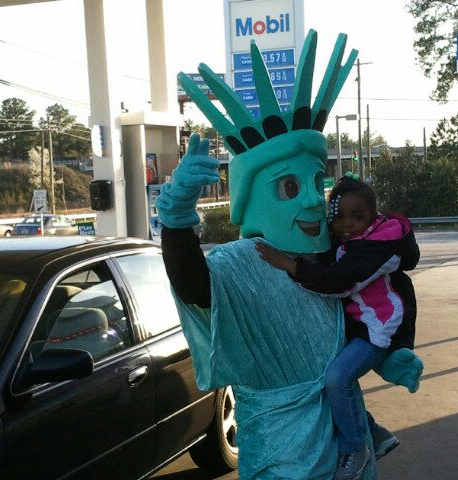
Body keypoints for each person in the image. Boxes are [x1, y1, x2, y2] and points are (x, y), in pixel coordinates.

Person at [158, 30, 423, 479]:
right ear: (252, 197)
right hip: (279, 446)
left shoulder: (332, 257)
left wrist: (388, 356)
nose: (312, 201)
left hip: (344, 438)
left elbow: (363, 313)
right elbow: (195, 287)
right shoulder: (244, 261)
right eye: (289, 186)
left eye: (316, 182)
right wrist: (178, 219)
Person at [256, 175, 420, 479]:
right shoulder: (354, 240)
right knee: (325, 376)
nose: (347, 224)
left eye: (357, 216)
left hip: (376, 330)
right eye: (340, 216)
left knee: (337, 379)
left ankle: (355, 448)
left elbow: (341, 282)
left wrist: (290, 265)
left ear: (373, 215)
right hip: (357, 324)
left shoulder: (380, 246)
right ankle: (373, 431)